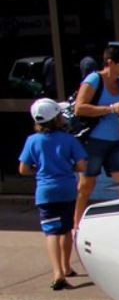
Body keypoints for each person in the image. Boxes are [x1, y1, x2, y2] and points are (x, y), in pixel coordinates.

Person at [19, 98, 87, 290]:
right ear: (58, 118)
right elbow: (82, 165)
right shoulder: (69, 139)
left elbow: (23, 169)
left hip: (45, 192)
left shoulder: (32, 140)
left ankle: (57, 273)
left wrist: (39, 170)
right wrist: (68, 167)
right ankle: (66, 267)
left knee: (51, 232)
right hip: (66, 189)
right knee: (66, 229)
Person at [73, 44, 119, 228]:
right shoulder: (94, 79)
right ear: (110, 63)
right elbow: (79, 108)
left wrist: (115, 112)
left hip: (115, 141)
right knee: (86, 186)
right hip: (94, 140)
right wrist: (110, 109)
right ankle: (76, 226)